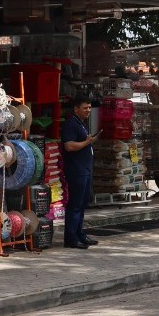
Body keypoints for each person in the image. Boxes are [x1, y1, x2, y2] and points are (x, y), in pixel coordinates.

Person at [60, 96, 99, 248]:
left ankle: (79, 234)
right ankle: (71, 238)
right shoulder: (71, 124)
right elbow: (69, 146)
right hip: (76, 170)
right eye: (85, 108)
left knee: (83, 204)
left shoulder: (81, 124)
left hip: (85, 169)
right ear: (76, 109)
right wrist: (87, 142)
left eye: (89, 108)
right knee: (75, 204)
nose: (88, 110)